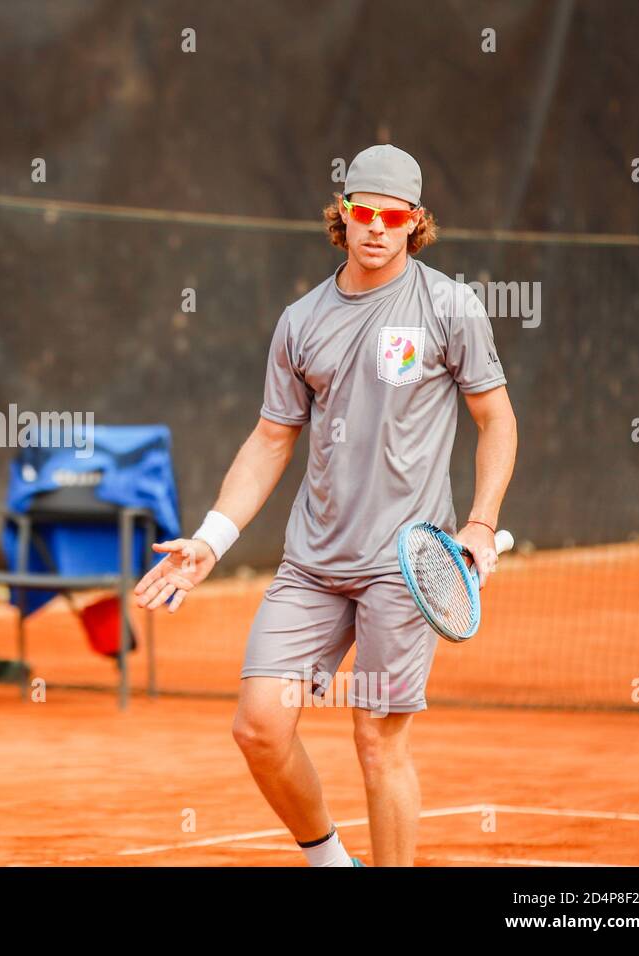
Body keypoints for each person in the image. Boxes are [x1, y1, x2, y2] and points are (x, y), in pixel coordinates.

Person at [133, 146, 517, 866]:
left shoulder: (450, 307)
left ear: (415, 223)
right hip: (311, 565)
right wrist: (212, 540)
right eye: (362, 212)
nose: (376, 227)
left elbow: (496, 418)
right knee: (259, 728)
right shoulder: (301, 321)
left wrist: (481, 521)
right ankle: (331, 861)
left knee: (377, 736)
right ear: (342, 215)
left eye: (392, 215)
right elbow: (273, 438)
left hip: (402, 567)